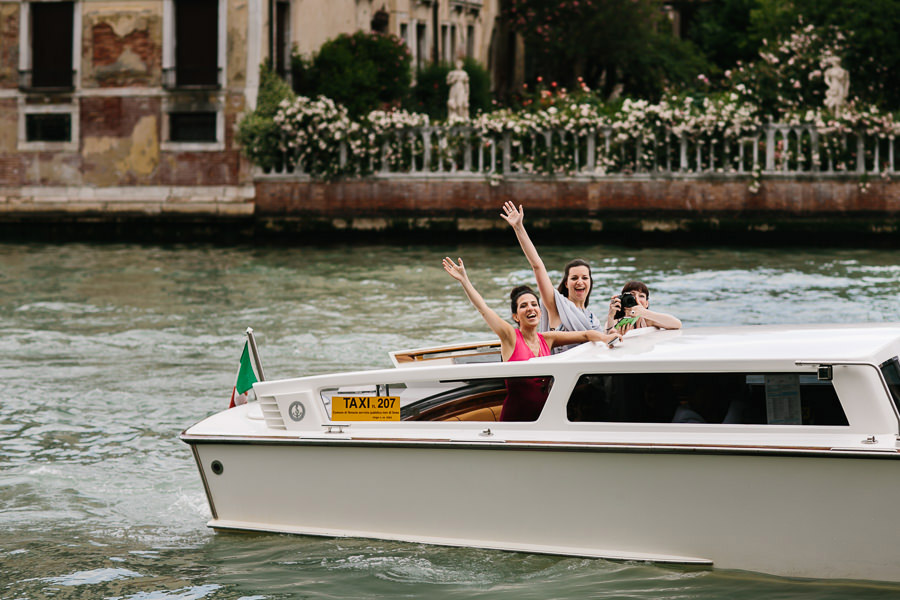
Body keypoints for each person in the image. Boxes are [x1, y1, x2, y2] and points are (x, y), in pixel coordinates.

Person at [443, 257, 621, 421]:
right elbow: (483, 309)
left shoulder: (548, 339)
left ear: (540, 311)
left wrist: (606, 338)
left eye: (534, 304)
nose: (530, 308)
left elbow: (586, 334)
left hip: (544, 419)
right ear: (516, 316)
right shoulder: (510, 336)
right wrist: (465, 281)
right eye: (523, 306)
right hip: (516, 420)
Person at [501, 202, 602, 353]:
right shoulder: (556, 305)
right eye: (574, 278)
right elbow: (537, 265)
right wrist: (519, 227)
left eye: (584, 278)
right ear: (566, 283)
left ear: (590, 282)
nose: (580, 282)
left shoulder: (593, 319)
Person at [606, 280, 682, 334]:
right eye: (632, 295)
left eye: (641, 296)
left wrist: (644, 313)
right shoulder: (616, 320)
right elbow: (608, 333)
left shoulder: (648, 320)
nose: (637, 299)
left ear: (646, 303)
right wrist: (611, 315)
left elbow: (677, 324)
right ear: (622, 300)